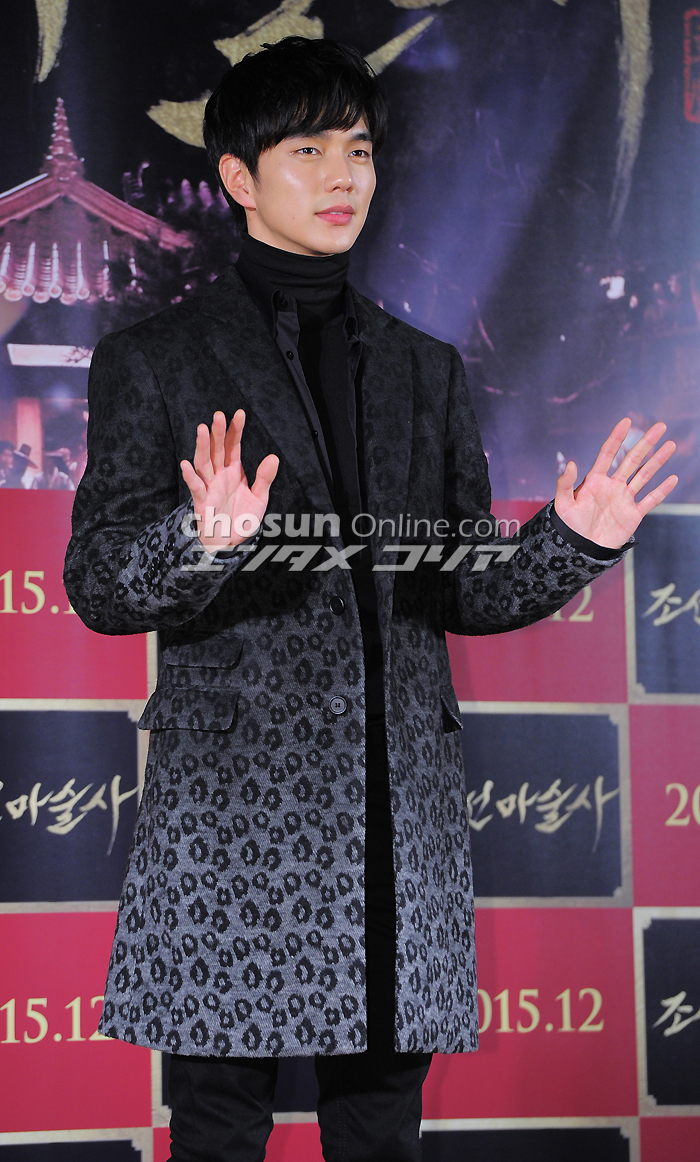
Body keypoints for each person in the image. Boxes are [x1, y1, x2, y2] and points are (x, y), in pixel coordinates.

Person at [63, 35, 677, 1162]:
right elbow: (99, 585)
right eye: (307, 151)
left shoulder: (422, 368)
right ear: (240, 177)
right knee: (218, 1128)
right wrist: (200, 539)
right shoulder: (156, 361)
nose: (344, 175)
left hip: (400, 816)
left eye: (357, 149)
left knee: (382, 1129)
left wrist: (573, 541)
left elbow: (459, 589)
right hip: (237, 814)